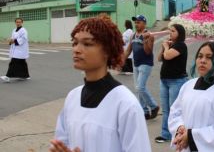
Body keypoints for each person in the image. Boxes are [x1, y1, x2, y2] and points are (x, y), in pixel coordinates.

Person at [50, 15, 151, 152]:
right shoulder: (72, 98)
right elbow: (61, 142)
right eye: (75, 43)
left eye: (87, 43)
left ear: (107, 51)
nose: (77, 49)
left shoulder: (125, 104)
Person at [168, 42, 214, 152]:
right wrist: (180, 128)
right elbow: (175, 112)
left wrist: (191, 136)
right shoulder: (188, 86)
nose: (202, 61)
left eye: (209, 57)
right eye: (200, 56)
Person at [155, 24, 188, 143]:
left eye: (173, 31)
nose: (170, 33)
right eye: (170, 31)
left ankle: (176, 134)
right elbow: (160, 58)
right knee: (165, 109)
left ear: (180, 33)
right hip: (165, 80)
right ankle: (165, 134)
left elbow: (168, 56)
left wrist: (166, 47)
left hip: (176, 81)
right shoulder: (171, 45)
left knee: (174, 109)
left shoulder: (181, 45)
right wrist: (163, 47)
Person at [125, 14, 159, 120]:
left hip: (145, 64)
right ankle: (144, 111)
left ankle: (153, 106)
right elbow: (128, 50)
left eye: (139, 22)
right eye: (135, 22)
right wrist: (121, 61)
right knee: (137, 89)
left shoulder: (149, 35)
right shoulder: (133, 35)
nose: (136, 24)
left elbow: (148, 51)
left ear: (144, 24)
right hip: (136, 64)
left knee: (140, 87)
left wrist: (144, 40)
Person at [1, 18, 30, 82]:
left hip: (20, 49)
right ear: (15, 23)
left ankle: (7, 76)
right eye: (17, 22)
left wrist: (14, 41)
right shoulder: (14, 30)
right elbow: (13, 38)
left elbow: (24, 39)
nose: (18, 23)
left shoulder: (23, 30)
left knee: (13, 63)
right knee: (22, 63)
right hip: (15, 49)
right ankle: (25, 75)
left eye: (19, 22)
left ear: (22, 22)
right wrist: (11, 41)